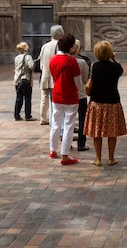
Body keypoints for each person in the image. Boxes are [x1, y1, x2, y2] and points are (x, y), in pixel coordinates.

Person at [83, 40, 127, 166]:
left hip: (96, 102)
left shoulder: (94, 66)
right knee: (112, 132)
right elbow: (120, 70)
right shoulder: (116, 68)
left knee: (97, 132)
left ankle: (98, 158)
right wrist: (114, 58)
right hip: (112, 101)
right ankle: (111, 158)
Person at [48, 33, 83, 166]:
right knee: (68, 125)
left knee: (55, 123)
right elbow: (78, 83)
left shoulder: (52, 60)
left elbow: (53, 77)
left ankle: (52, 150)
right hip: (70, 97)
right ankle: (65, 155)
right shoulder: (72, 61)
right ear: (70, 46)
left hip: (57, 95)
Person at [38, 24, 64, 125]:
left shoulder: (45, 46)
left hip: (45, 74)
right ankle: (54, 119)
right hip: (54, 76)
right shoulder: (59, 45)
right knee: (55, 100)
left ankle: (43, 118)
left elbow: (40, 62)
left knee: (44, 98)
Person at [71, 39, 90, 151]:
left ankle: (66, 143)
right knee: (82, 119)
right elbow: (86, 79)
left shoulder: (64, 60)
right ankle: (81, 144)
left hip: (68, 95)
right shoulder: (82, 62)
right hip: (80, 94)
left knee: (68, 120)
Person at [13, 41, 36, 121]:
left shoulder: (17, 58)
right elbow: (31, 66)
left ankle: (16, 114)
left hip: (17, 80)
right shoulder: (28, 57)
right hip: (26, 79)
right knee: (27, 98)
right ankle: (27, 115)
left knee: (19, 98)